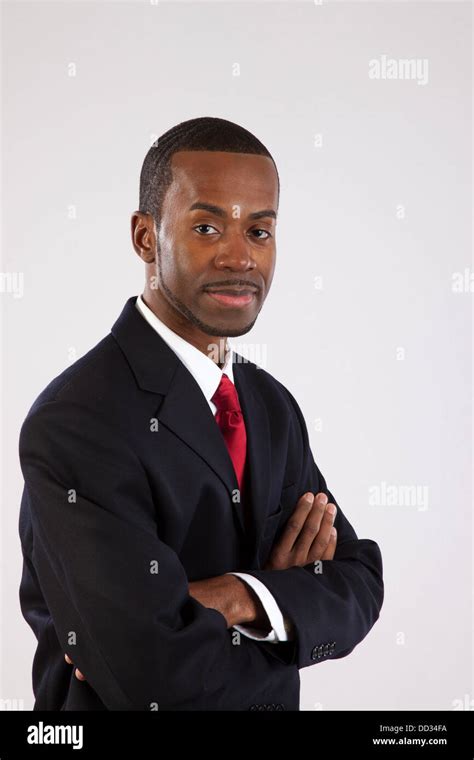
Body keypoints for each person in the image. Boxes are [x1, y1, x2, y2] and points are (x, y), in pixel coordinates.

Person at [18, 117, 384, 711]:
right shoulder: (76, 422)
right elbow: (148, 672)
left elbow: (359, 585)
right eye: (208, 227)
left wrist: (237, 597)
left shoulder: (271, 406)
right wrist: (284, 604)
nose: (240, 257)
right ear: (145, 237)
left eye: (259, 231)